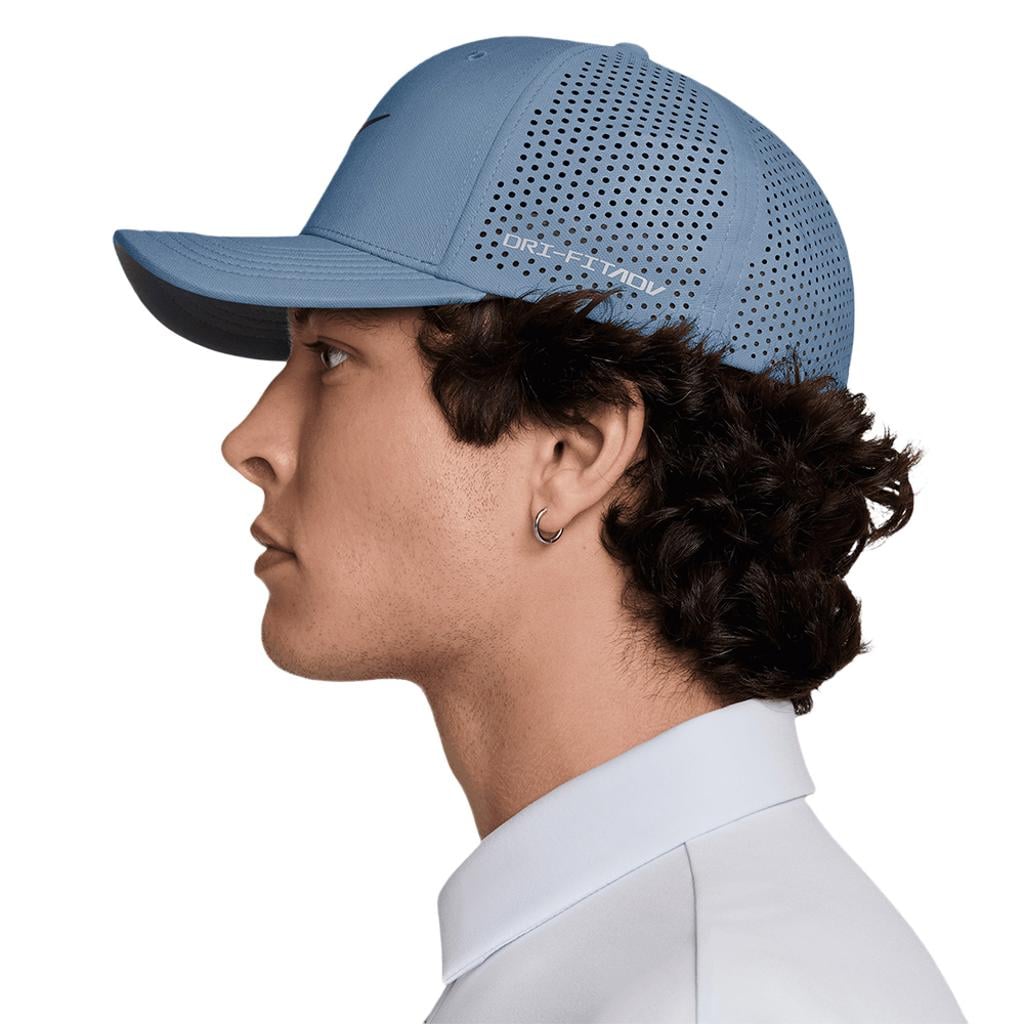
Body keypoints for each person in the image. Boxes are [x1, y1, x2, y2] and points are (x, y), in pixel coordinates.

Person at [112, 35, 967, 1024]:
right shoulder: (643, 949)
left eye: (333, 358)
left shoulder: (717, 995)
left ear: (573, 449)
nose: (251, 440)